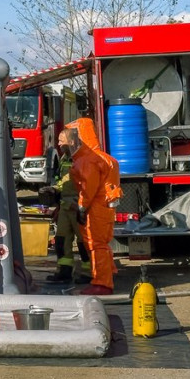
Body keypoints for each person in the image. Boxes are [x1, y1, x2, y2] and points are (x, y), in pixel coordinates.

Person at [65, 118, 120, 295]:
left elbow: (88, 188)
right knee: (102, 244)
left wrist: (81, 207)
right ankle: (107, 275)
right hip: (103, 206)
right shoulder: (102, 158)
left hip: (95, 208)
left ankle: (102, 283)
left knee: (96, 245)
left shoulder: (88, 160)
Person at [42, 130, 91, 283]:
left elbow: (88, 184)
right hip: (65, 206)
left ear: (71, 141)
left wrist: (82, 206)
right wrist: (54, 190)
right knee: (62, 240)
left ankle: (88, 273)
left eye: (61, 140)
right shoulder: (64, 158)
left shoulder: (83, 159)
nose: (58, 143)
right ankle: (64, 272)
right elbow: (62, 181)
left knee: (84, 242)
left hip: (78, 206)